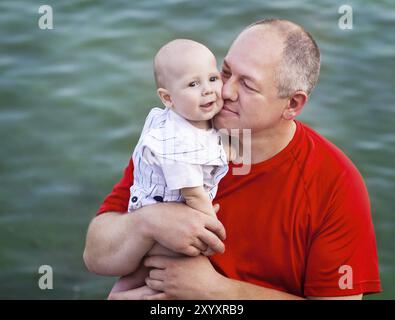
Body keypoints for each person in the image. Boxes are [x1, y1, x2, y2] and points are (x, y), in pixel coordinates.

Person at [84, 18, 381, 300]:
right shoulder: (177, 135)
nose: (223, 91)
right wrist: (149, 222)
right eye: (224, 72)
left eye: (248, 85)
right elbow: (95, 255)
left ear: (292, 104)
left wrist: (218, 292)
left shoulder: (336, 184)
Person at [108, 39, 231, 299]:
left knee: (146, 267)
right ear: (168, 97)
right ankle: (127, 295)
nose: (208, 90)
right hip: (160, 208)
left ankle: (124, 291)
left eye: (212, 78)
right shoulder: (176, 142)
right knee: (167, 261)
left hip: (159, 205)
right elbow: (193, 194)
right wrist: (211, 229)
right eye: (193, 84)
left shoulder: (193, 117)